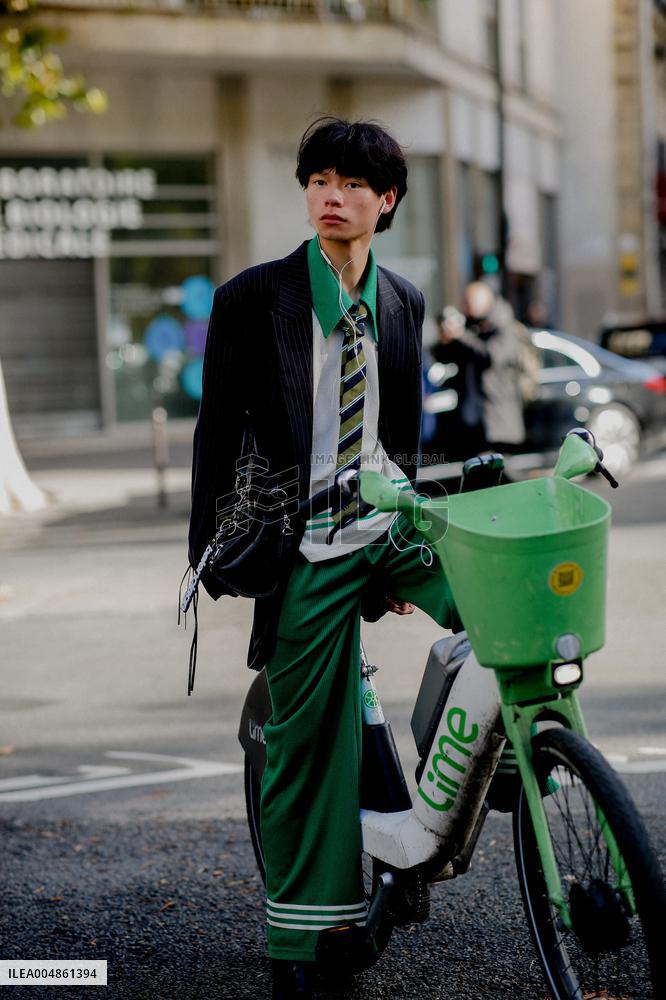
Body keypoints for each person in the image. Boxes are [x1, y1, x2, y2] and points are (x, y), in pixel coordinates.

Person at [187, 117, 461, 999]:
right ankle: (302, 943)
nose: (330, 198)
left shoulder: (403, 302)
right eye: (317, 181)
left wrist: (409, 541)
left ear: (387, 201)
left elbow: (404, 436)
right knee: (305, 747)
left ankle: (464, 788)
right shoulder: (252, 298)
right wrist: (211, 550)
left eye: (350, 184)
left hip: (388, 520)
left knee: (509, 611)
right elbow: (214, 432)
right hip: (301, 535)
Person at [432, 282, 526, 459]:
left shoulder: (503, 327)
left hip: (497, 421)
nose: (467, 306)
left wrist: (461, 336)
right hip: (471, 421)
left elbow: (490, 357)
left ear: (487, 301)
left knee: (501, 478)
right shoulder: (469, 327)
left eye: (471, 301)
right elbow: (443, 357)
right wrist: (446, 340)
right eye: (465, 301)